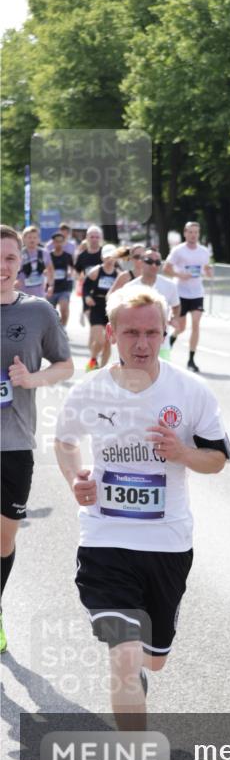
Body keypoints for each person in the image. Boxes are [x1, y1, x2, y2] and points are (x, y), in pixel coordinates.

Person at [54, 286, 229, 725]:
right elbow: (65, 441)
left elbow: (218, 459)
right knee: (125, 656)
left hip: (167, 544)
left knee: (152, 660)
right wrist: (76, 477)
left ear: (166, 332)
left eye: (152, 333)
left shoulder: (191, 392)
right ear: (111, 334)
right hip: (105, 541)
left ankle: (139, 670)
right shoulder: (90, 392)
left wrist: (183, 454)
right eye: (131, 333)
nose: (142, 344)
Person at [1, 225, 73, 653]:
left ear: (20, 262)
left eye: (10, 258)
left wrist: (32, 378)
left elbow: (65, 365)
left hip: (14, 444)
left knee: (5, 538)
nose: (3, 266)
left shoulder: (38, 312)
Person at [164, 221, 213, 372]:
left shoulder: (204, 251)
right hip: (180, 292)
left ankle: (191, 360)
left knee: (196, 324)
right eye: (190, 232)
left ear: (199, 234)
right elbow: (166, 268)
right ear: (185, 233)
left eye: (196, 232)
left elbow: (205, 270)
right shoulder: (178, 250)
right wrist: (180, 275)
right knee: (181, 327)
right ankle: (171, 340)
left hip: (197, 292)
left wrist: (209, 272)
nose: (193, 235)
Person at [126, 248, 180, 360]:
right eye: (149, 261)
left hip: (161, 343)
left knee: (162, 376)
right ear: (141, 262)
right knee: (137, 375)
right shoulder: (130, 287)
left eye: (157, 262)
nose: (154, 265)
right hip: (136, 342)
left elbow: (176, 306)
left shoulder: (170, 286)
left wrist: (174, 318)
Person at [83, 245, 126, 371]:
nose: (110, 260)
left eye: (112, 257)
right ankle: (93, 359)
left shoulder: (119, 274)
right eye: (107, 257)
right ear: (102, 258)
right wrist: (86, 299)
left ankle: (102, 369)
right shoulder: (96, 271)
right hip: (97, 306)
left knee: (108, 342)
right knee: (100, 340)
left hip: (111, 308)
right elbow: (85, 286)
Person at [46, 231, 75, 326]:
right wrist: (47, 272)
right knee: (50, 313)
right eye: (56, 241)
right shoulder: (48, 256)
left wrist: (71, 272)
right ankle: (54, 331)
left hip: (64, 287)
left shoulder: (68, 256)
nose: (58, 243)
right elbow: (42, 269)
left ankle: (63, 329)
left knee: (64, 309)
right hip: (51, 288)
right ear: (53, 243)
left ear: (63, 242)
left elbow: (73, 268)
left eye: (60, 241)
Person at [17, 226, 53, 300]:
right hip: (23, 295)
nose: (32, 240)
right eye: (29, 237)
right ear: (23, 239)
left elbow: (50, 269)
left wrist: (51, 285)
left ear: (38, 239)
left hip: (40, 295)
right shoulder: (18, 254)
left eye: (34, 237)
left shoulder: (44, 252)